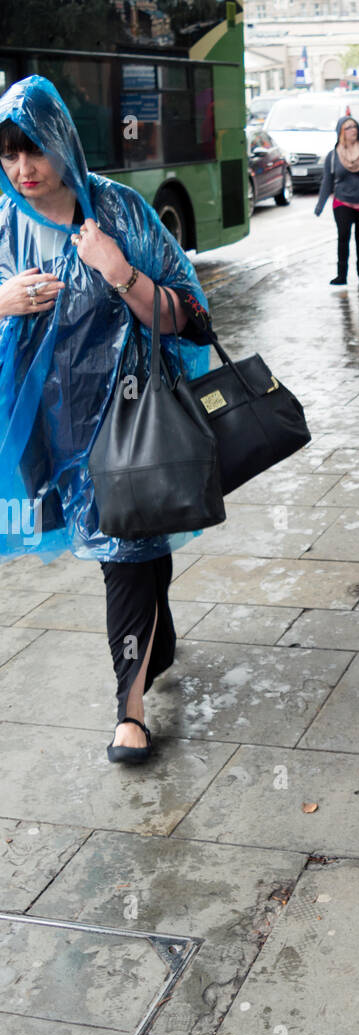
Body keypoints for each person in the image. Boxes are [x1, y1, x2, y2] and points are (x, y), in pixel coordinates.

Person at [0, 76, 213, 765]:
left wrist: (118, 272)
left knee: (126, 560)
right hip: (48, 428)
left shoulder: (118, 212)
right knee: (132, 560)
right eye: (7, 156)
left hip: (130, 417)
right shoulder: (3, 227)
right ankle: (158, 639)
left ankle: (129, 713)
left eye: (32, 151)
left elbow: (191, 313)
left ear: (61, 141)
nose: (22, 170)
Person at [314, 115, 359, 287]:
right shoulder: (333, 156)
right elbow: (327, 181)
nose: (354, 130)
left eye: (355, 126)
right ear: (341, 132)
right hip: (342, 201)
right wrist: (320, 205)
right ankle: (341, 275)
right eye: (349, 127)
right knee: (343, 237)